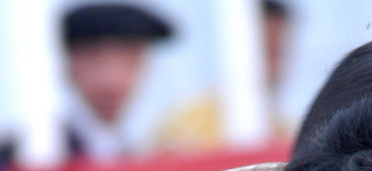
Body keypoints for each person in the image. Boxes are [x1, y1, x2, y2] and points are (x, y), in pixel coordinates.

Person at [152, 0, 295, 152]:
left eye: (279, 52)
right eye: (267, 52)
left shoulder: (286, 130)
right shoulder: (185, 130)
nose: (274, 66)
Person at [60, 1, 176, 159]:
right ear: (68, 65)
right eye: (94, 59)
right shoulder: (40, 148)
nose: (111, 80)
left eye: (128, 60)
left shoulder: (156, 150)